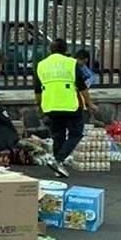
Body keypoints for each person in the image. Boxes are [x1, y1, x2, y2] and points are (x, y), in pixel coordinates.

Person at [36, 39, 94, 178]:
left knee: (58, 135)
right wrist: (89, 104)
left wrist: (40, 107)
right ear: (66, 50)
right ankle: (58, 160)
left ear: (50, 50)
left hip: (50, 105)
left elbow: (37, 91)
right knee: (76, 133)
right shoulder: (72, 63)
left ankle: (58, 168)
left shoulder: (41, 65)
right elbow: (82, 87)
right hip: (70, 105)